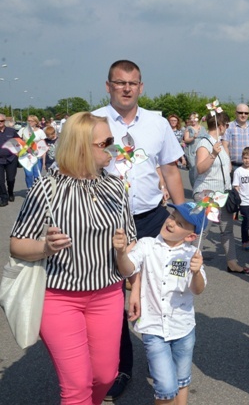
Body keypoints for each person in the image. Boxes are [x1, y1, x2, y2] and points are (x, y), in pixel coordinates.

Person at [10, 112, 137, 404]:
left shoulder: (116, 187)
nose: (113, 148)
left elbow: (131, 247)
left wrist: (134, 280)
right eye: (105, 142)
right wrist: (45, 248)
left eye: (113, 141)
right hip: (58, 298)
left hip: (107, 295)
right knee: (77, 385)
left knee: (105, 376)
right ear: (80, 146)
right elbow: (16, 245)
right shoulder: (46, 188)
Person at [93, 59, 186, 401]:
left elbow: (172, 171)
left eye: (133, 83)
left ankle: (158, 358)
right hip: (107, 221)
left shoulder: (158, 123)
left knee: (154, 292)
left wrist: (183, 216)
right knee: (111, 297)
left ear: (141, 87)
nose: (127, 88)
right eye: (120, 83)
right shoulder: (94, 121)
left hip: (149, 218)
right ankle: (120, 366)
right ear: (108, 86)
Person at [113, 202, 207, 405]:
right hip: (154, 328)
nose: (172, 223)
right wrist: (121, 252)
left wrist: (197, 272)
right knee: (165, 388)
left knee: (181, 381)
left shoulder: (192, 255)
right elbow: (128, 269)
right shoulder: (147, 244)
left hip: (183, 329)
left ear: (190, 236)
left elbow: (198, 289)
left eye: (180, 223)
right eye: (172, 216)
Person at [193, 110, 249, 274]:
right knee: (203, 229)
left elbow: (227, 166)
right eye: (226, 125)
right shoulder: (205, 143)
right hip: (207, 193)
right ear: (222, 126)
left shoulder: (220, 142)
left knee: (227, 229)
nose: (226, 128)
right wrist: (213, 154)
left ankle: (232, 262)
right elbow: (200, 169)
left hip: (223, 193)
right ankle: (194, 262)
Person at [223, 104, 249, 174]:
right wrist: (228, 162)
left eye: (246, 113)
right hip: (234, 166)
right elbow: (225, 146)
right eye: (240, 113)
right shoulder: (228, 127)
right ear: (235, 113)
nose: (243, 115)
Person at [18, 115, 46, 189]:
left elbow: (43, 145)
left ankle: (36, 190)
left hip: (37, 156)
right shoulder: (23, 130)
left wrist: (43, 159)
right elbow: (18, 141)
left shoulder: (40, 132)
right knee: (29, 174)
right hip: (26, 156)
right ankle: (30, 189)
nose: (29, 122)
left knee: (37, 175)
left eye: (31, 121)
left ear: (36, 122)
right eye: (28, 120)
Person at [183, 112, 208, 187]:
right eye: (191, 118)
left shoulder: (202, 128)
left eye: (194, 118)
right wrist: (193, 137)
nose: (193, 120)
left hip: (202, 151)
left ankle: (202, 186)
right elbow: (186, 140)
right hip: (192, 153)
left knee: (202, 169)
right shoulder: (189, 128)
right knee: (194, 170)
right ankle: (194, 187)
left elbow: (207, 138)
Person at [0, 113, 19, 206]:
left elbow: (19, 142)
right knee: (0, 180)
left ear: (4, 121)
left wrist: (18, 152)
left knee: (10, 179)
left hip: (11, 159)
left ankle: (10, 192)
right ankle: (4, 197)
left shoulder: (11, 131)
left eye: (2, 121)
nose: (0, 123)